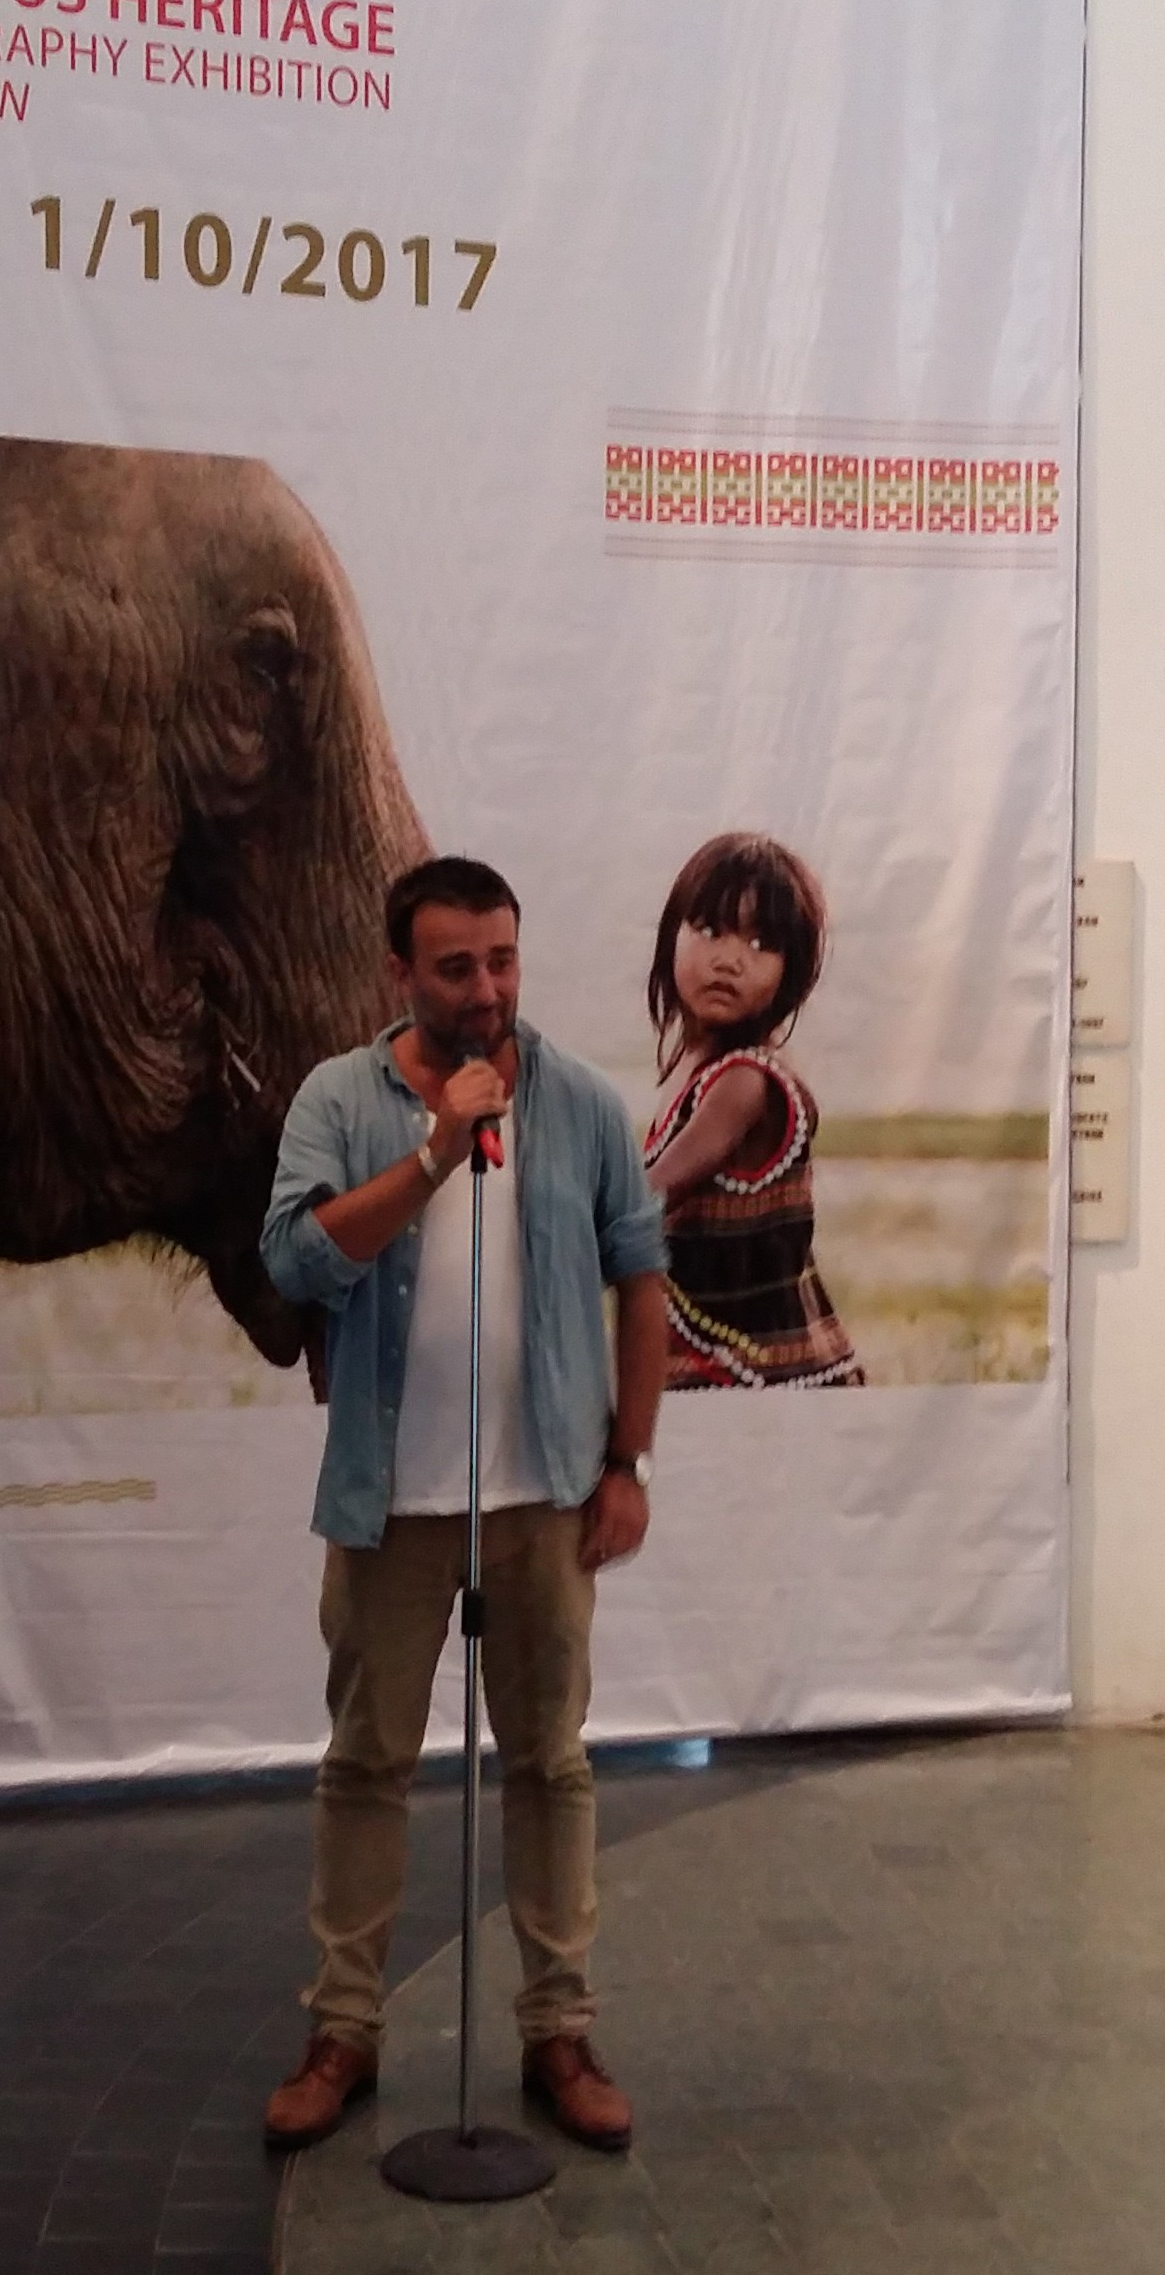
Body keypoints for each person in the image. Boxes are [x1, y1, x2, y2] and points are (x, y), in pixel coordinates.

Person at [258, 856, 667, 2155]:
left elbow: (641, 1276)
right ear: (401, 972)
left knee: (550, 1761)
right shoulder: (340, 1099)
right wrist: (437, 1150)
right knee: (367, 1762)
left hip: (544, 1493)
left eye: (502, 961)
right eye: (455, 968)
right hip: (392, 1496)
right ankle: (343, 2031)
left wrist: (628, 1461)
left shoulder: (581, 1101)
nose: (486, 991)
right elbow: (297, 1260)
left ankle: (559, 2030)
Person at [642, 832, 861, 1391]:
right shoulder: (693, 1069)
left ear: (792, 971)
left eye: (761, 943)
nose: (729, 960)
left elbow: (649, 1197)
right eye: (709, 930)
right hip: (719, 1371)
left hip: (768, 1384)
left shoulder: (745, 1081)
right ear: (671, 935)